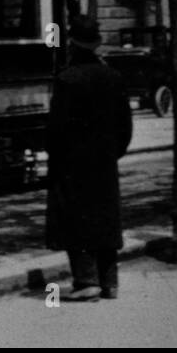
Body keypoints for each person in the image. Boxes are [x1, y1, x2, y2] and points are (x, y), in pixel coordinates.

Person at [45, 16, 134, 301]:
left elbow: (56, 128)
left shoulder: (66, 79)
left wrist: (56, 155)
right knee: (106, 218)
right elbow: (125, 127)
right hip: (105, 162)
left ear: (71, 43)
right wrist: (111, 153)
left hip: (73, 164)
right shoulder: (115, 77)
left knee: (75, 219)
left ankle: (85, 280)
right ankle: (110, 282)